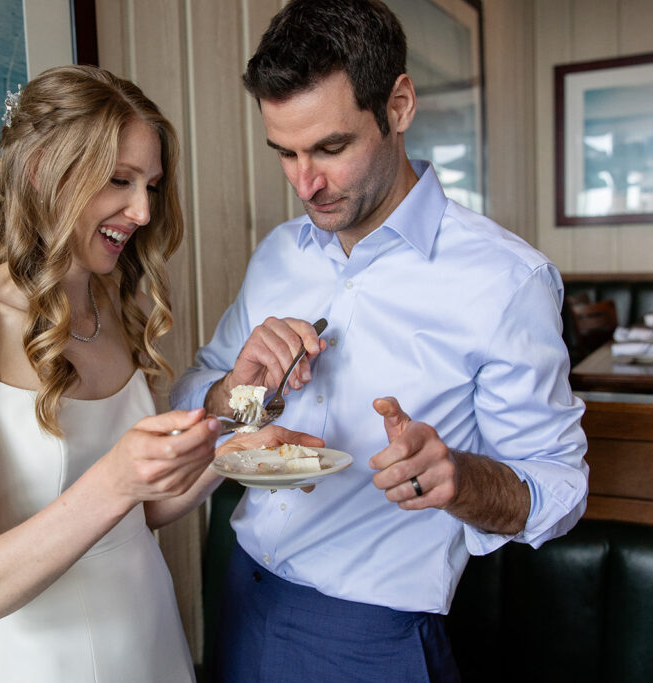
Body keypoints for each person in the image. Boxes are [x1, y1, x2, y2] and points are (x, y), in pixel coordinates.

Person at [170, 1, 590, 681]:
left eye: (331, 148)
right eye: (285, 152)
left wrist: (461, 479)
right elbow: (196, 398)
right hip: (240, 595)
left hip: (373, 638)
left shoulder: (507, 280)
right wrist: (243, 394)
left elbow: (560, 485)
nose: (305, 182)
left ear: (397, 106)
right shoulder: (278, 254)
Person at [0, 64, 321, 682]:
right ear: (44, 172)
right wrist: (114, 482)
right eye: (120, 181)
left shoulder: (116, 308)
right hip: (49, 660)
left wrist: (242, 426)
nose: (144, 212)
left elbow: (143, 511)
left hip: (152, 634)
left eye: (150, 184)